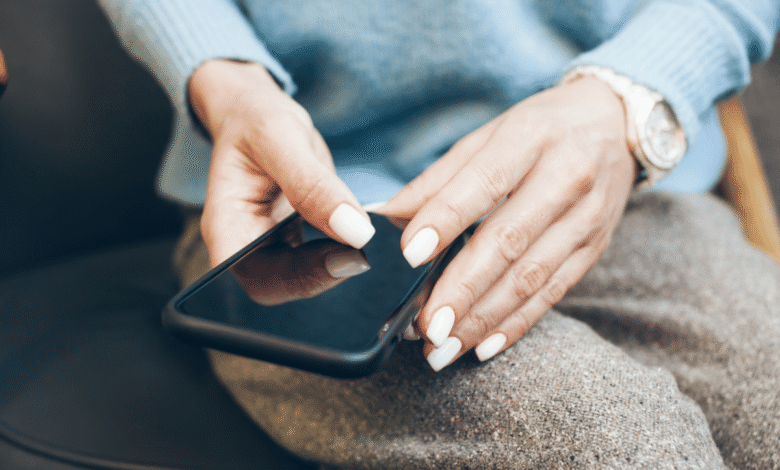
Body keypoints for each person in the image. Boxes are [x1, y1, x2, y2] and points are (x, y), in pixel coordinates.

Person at [98, 0, 780, 468]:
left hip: (618, 172)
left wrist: (635, 97)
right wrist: (222, 77)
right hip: (297, 218)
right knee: (619, 442)